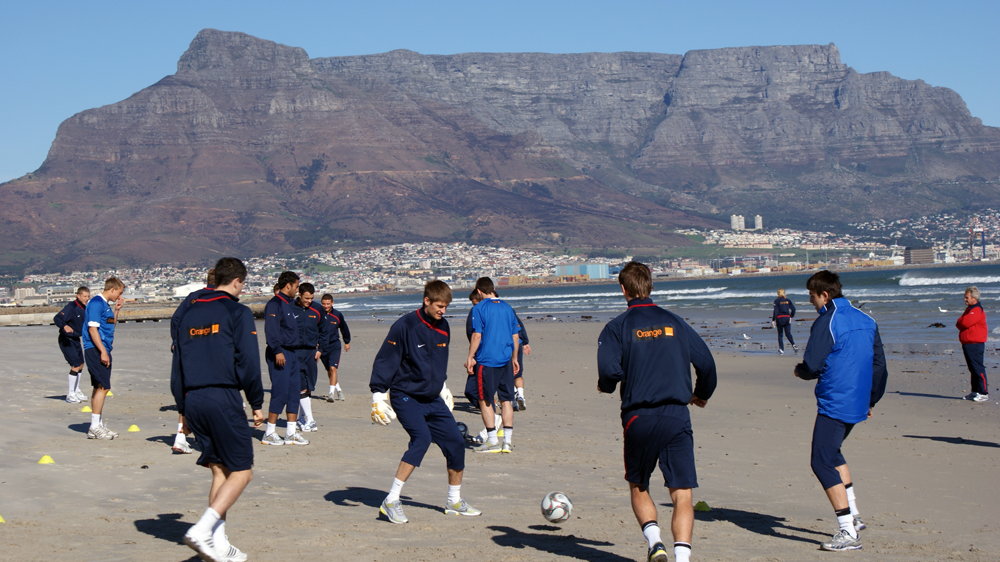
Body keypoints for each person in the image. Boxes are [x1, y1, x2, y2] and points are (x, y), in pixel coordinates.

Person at [597, 261, 717, 562]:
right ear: (650, 285)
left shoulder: (617, 327)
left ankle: (655, 543)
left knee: (639, 484)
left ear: (623, 289)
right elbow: (707, 364)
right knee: (682, 492)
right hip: (677, 413)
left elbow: (608, 371)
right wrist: (701, 394)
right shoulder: (675, 322)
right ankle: (682, 557)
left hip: (639, 416)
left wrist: (607, 386)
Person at [172, 257, 264, 562]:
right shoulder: (237, 311)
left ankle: (217, 542)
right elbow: (249, 362)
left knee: (220, 469)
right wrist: (256, 402)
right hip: (221, 396)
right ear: (238, 281)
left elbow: (178, 363)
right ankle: (203, 529)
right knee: (242, 471)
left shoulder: (187, 313)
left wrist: (182, 407)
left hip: (192, 398)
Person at [369, 280, 480, 524]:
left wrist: (443, 386)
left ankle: (454, 501)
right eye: (440, 306)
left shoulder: (444, 327)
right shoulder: (405, 325)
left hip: (432, 397)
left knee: (455, 443)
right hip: (405, 395)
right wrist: (378, 394)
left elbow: (438, 361)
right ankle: (391, 500)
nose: (443, 311)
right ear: (426, 301)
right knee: (422, 439)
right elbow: (386, 359)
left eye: (446, 306)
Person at [794, 270, 888, 552]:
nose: (811, 302)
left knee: (821, 460)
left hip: (837, 400)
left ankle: (847, 531)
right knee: (833, 452)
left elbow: (812, 363)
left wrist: (801, 371)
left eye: (812, 297)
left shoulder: (828, 320)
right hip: (858, 399)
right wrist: (871, 400)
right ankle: (854, 515)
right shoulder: (866, 318)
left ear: (825, 294)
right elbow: (880, 367)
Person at [464, 277, 520, 454]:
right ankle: (507, 442)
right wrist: (515, 358)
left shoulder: (479, 308)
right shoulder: (507, 307)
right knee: (506, 400)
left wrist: (470, 356)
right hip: (505, 360)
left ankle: (493, 440)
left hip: (487, 360)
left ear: (479, 291)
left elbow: (477, 335)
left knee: (485, 400)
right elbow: (515, 336)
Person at [168, 268, 216, 454]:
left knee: (187, 394)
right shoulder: (219, 300)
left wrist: (176, 341)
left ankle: (181, 437)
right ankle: (206, 437)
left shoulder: (193, 297)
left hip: (187, 351)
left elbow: (176, 320)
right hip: (208, 353)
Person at [261, 271, 308, 446]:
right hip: (280, 353)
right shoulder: (275, 304)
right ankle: (270, 432)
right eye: (296, 286)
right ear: (288, 285)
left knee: (294, 392)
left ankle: (291, 432)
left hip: (294, 354)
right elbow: (271, 330)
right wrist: (277, 350)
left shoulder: (290, 304)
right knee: (280, 391)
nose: (297, 290)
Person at [82, 277, 125, 440]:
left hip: (103, 348)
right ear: (112, 289)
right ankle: (94, 426)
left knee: (99, 386)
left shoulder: (105, 305)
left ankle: (97, 425)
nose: (119, 296)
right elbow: (92, 330)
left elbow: (109, 325)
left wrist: (117, 310)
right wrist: (103, 352)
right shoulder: (96, 303)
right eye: (119, 293)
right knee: (103, 387)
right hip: (95, 349)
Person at [292, 283, 325, 432]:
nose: (309, 301)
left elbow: (325, 331)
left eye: (311, 298)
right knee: (301, 385)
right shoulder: (290, 307)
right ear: (299, 295)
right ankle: (310, 420)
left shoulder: (317, 309)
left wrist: (321, 349)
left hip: (312, 352)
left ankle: (301, 418)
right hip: (295, 352)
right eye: (306, 298)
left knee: (309, 386)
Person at [54, 286, 90, 403]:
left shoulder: (85, 308)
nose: (87, 298)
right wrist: (64, 326)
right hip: (66, 339)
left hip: (75, 339)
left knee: (81, 365)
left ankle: (76, 390)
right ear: (78, 296)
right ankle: (70, 394)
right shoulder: (71, 307)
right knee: (75, 365)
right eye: (84, 296)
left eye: (88, 296)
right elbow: (57, 318)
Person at [956, 286, 989, 401]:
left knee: (978, 367)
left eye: (967, 297)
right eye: (965, 297)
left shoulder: (976, 309)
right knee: (972, 368)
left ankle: (983, 393)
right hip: (968, 342)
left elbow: (964, 323)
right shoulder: (969, 309)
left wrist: (961, 322)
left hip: (975, 343)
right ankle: (975, 391)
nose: (965, 299)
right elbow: (959, 322)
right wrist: (961, 322)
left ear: (973, 298)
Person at [319, 294, 351, 402]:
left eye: (328, 304)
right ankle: (339, 390)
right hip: (322, 347)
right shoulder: (318, 314)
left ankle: (331, 394)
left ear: (332, 303)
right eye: (323, 304)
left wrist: (347, 341)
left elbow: (344, 328)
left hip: (334, 345)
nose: (326, 306)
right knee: (329, 370)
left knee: (333, 368)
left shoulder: (337, 315)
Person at [771, 288, 798, 354]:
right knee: (788, 334)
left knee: (780, 335)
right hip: (787, 318)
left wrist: (773, 320)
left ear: (778, 294)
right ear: (784, 293)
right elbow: (794, 309)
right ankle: (794, 345)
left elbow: (776, 311)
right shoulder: (788, 300)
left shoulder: (776, 301)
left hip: (780, 319)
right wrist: (791, 316)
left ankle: (781, 349)